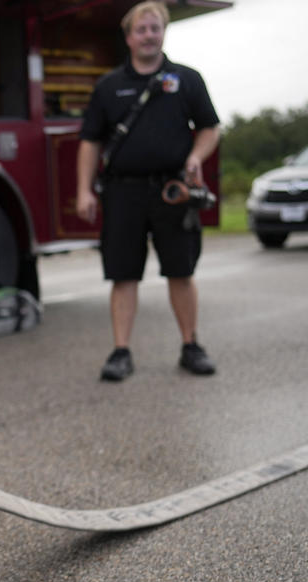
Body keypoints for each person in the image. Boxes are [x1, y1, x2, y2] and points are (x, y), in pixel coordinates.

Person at [75, 0, 220, 382]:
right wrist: (84, 190)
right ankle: (121, 352)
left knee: (181, 271)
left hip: (173, 190)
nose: (149, 35)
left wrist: (196, 156)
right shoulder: (108, 86)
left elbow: (210, 128)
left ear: (164, 32)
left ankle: (191, 346)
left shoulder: (187, 79)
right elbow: (90, 141)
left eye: (155, 28)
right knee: (123, 275)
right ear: (128, 37)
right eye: (141, 29)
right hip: (123, 193)